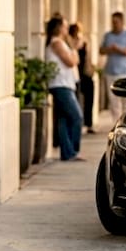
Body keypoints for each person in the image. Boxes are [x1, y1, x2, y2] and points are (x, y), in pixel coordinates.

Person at [45, 17, 84, 160]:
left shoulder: (59, 43)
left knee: (64, 119)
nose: (67, 29)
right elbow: (71, 62)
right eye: (65, 26)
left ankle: (67, 153)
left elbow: (75, 61)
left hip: (65, 84)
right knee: (77, 117)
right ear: (58, 28)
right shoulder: (57, 43)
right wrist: (73, 49)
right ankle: (72, 151)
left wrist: (73, 52)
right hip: (61, 85)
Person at [98, 11, 126, 122]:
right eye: (113, 22)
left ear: (122, 22)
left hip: (125, 72)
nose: (114, 24)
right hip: (110, 71)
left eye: (116, 22)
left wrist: (118, 49)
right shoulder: (108, 35)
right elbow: (101, 50)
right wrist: (109, 49)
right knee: (113, 101)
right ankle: (116, 124)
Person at [69, 22, 96, 134]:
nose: (77, 34)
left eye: (78, 31)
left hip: (85, 74)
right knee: (77, 100)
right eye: (75, 31)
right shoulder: (69, 43)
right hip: (74, 76)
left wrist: (92, 70)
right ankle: (78, 124)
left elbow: (89, 58)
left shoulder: (85, 42)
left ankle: (89, 124)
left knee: (89, 99)